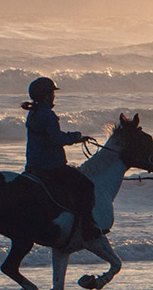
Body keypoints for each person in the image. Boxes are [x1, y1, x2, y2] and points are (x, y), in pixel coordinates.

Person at [22, 76, 103, 242]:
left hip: (33, 164)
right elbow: (57, 139)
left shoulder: (33, 113)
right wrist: (76, 137)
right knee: (86, 186)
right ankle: (88, 226)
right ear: (46, 96)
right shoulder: (48, 115)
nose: (54, 96)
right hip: (51, 165)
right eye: (52, 93)